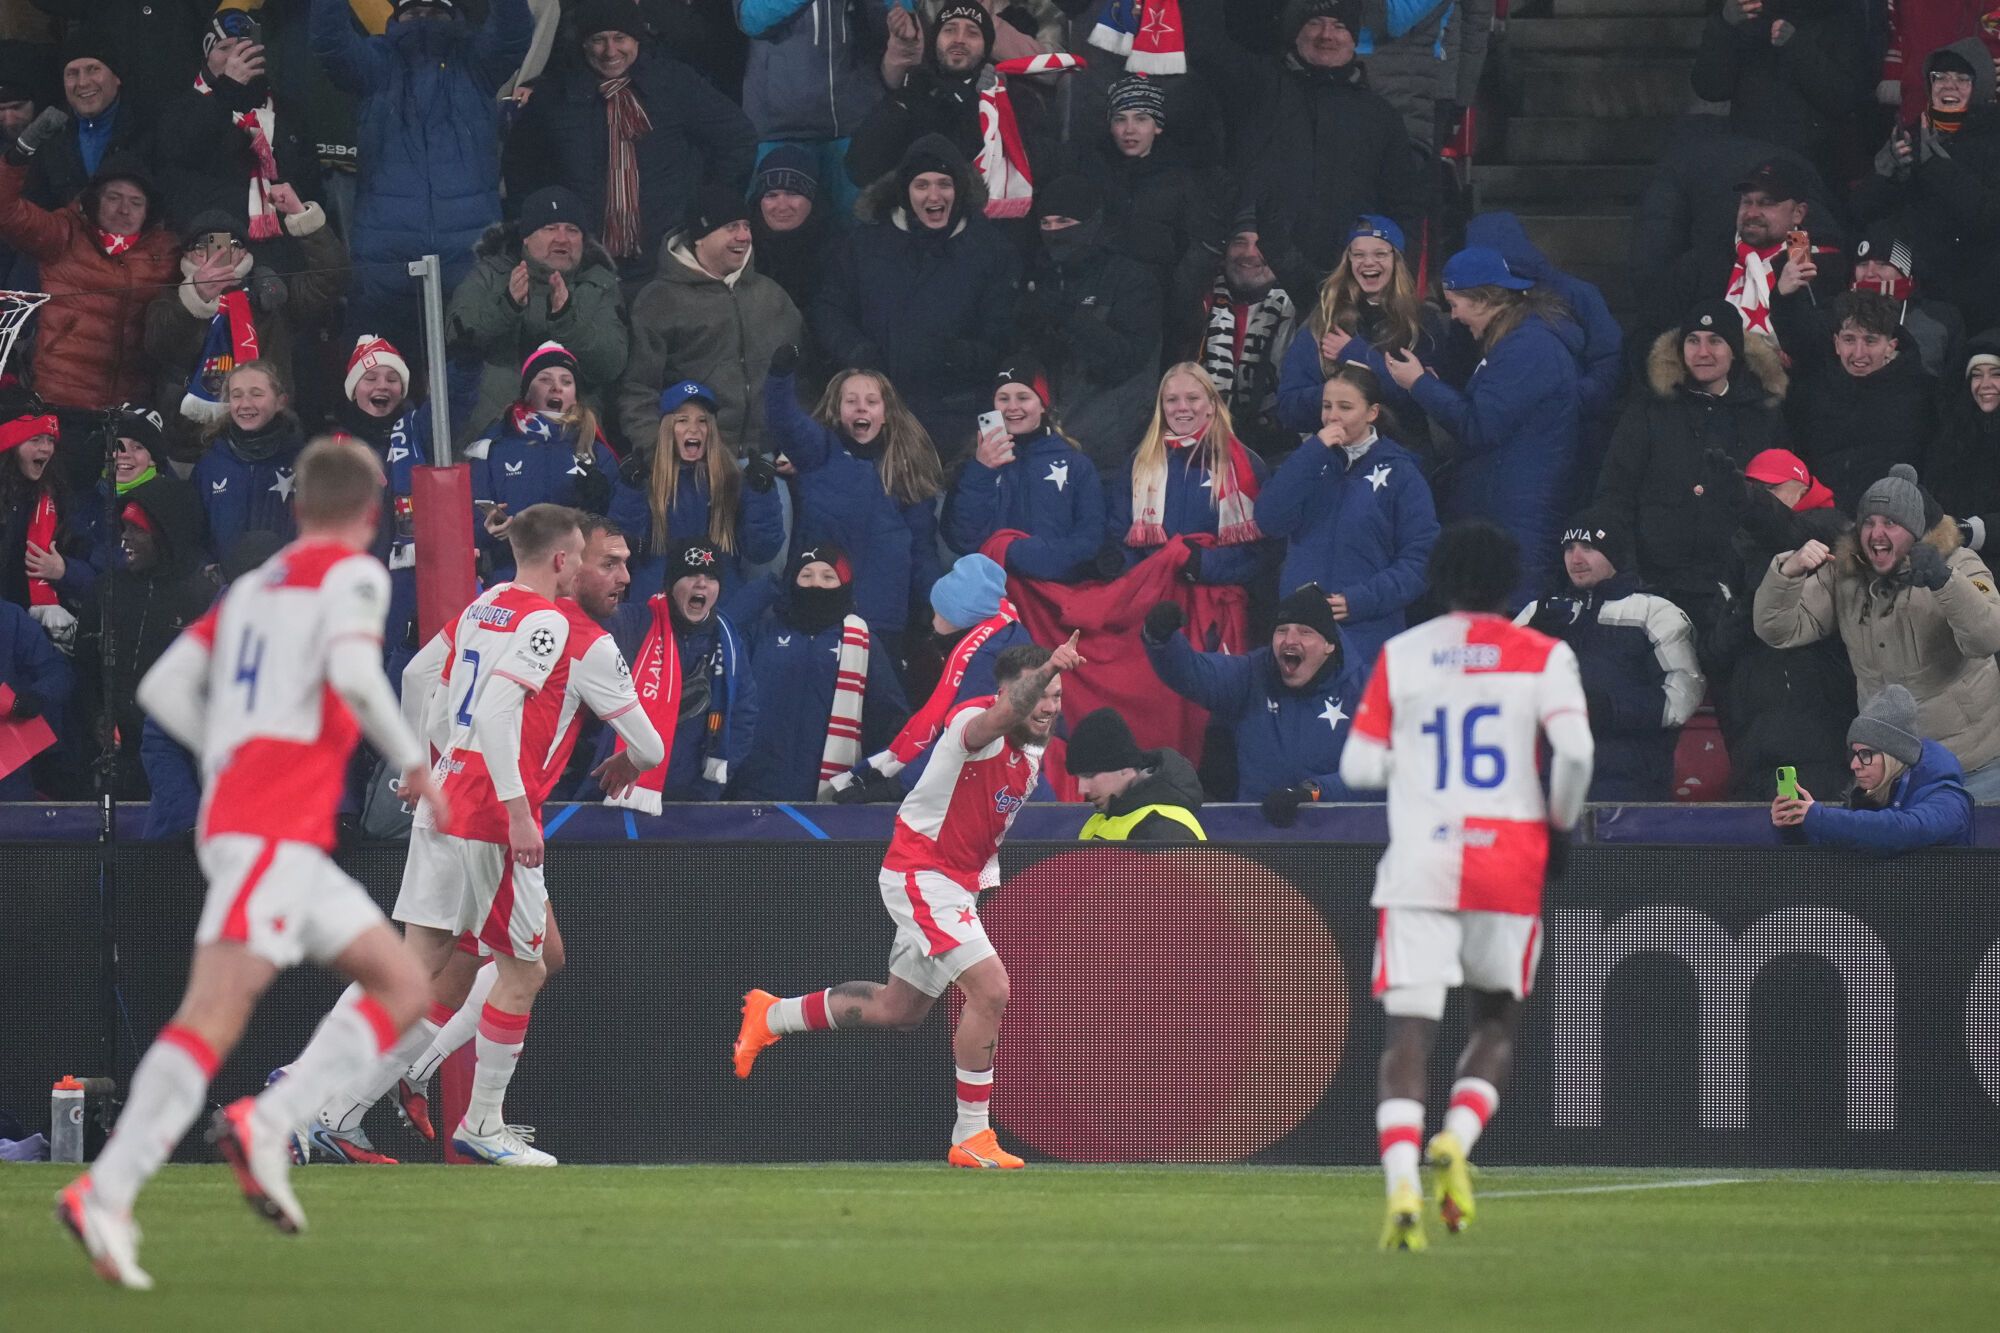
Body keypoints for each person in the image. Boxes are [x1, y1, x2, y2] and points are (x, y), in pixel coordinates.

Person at [56, 437, 445, 1288]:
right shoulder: (353, 574)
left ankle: (270, 1122)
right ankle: (107, 1190)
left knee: (402, 985)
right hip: (270, 827)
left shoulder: (252, 588)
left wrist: (226, 752)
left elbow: (160, 689)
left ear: (296, 508)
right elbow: (356, 673)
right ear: (370, 514)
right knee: (212, 1016)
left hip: (263, 825)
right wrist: (414, 762)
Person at [308, 505, 663, 1166]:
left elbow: (422, 678)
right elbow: (638, 742)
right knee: (523, 968)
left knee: (436, 964)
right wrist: (520, 807)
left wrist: (428, 763)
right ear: (567, 561)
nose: (621, 576)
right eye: (605, 561)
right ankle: (479, 1123)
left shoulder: (490, 602)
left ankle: (320, 1104)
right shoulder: (563, 630)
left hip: (448, 795)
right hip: (492, 812)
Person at [732, 636, 1085, 1171]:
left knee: (898, 1010)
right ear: (1006, 692)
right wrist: (1046, 670)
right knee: (991, 989)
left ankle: (772, 1014)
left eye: (1057, 696)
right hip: (922, 873)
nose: (1048, 706)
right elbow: (999, 717)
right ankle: (972, 1134)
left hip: (955, 885)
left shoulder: (1031, 755)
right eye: (1039, 694)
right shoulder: (973, 723)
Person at [1337, 519, 1593, 1251]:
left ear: (1440, 579)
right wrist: (1558, 824)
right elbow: (1575, 753)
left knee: (1408, 1032)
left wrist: (1412, 765)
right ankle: (1455, 1138)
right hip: (1508, 857)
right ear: (1508, 582)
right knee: (1495, 1022)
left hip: (1422, 857)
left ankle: (1401, 1184)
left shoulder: (1404, 653)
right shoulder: (1545, 654)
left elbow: (1357, 767)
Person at [1755, 463, 2000, 799]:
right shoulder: (1845, 571)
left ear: (1915, 529)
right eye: (1868, 522)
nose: (1876, 533)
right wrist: (1788, 572)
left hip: (1973, 765)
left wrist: (1945, 582)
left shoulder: (1960, 564)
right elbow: (1778, 630)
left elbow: (1988, 637)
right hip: (1889, 770)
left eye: (1891, 523)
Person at [309, 0, 535, 351]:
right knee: (379, 379)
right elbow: (330, 41)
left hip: (470, 262)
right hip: (386, 265)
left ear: (452, 14)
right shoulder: (377, 62)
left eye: (435, 11)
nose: (424, 20)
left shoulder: (476, 60)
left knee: (469, 379)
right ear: (398, 15)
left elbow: (514, 31)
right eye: (414, 12)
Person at [1181, 0, 1430, 299]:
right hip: (1251, 282)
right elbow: (1205, 45)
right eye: (1314, 23)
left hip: (1338, 291)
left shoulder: (1381, 116)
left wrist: (1395, 288)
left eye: (1339, 26)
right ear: (1295, 33)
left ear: (1354, 39)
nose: (1327, 35)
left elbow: (1404, 208)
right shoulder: (1256, 85)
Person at [503, 0, 756, 286]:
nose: (610, 51)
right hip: (581, 264)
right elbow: (520, 168)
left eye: (620, 38)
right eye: (598, 39)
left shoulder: (673, 83)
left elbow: (738, 139)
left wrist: (706, 206)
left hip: (664, 259)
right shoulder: (554, 96)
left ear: (637, 38)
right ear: (583, 42)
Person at [1387, 246, 1581, 606]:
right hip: (1506, 510)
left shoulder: (1528, 348)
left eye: (1455, 304)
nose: (1455, 316)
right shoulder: (1517, 342)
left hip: (1519, 516)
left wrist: (1419, 385)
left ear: (1483, 299)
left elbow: (1480, 426)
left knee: (1513, 616)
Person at [811, 133, 1019, 456]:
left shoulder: (990, 249)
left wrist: (958, 355)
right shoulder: (864, 244)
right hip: (877, 415)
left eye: (944, 184)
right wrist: (858, 353)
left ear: (960, 188)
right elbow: (829, 309)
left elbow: (1004, 335)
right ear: (905, 191)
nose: (933, 195)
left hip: (956, 414)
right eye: (921, 185)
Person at [1594, 298, 1789, 627]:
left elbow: (1781, 500)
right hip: (1655, 583)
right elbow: (1615, 492)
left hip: (1733, 587)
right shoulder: (1649, 409)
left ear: (1734, 350)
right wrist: (1627, 570)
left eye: (1715, 341)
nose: (1703, 352)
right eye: (1693, 340)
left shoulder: (1763, 414)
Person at [1257, 363, 1440, 674]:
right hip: (1301, 635)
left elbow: (1422, 559)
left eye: (1345, 407)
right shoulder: (1307, 463)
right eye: (1327, 406)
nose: (1332, 416)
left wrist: (1360, 600)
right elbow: (1269, 520)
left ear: (1372, 413)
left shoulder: (1402, 473)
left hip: (1367, 634)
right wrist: (1312, 453)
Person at [1517, 511, 1703, 802]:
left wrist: (1608, 709)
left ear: (1615, 553)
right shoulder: (1539, 611)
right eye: (1569, 548)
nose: (1576, 559)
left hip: (1633, 790)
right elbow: (1494, 688)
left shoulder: (1655, 612)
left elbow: (1682, 697)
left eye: (1588, 547)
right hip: (1553, 788)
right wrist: (1527, 640)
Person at [763, 349, 944, 642]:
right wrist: (781, 375)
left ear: (887, 414)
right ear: (836, 410)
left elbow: (922, 550)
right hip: (816, 614)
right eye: (851, 401)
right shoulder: (819, 450)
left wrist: (933, 603)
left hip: (883, 618)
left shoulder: (906, 470)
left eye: (871, 402)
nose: (861, 408)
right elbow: (785, 421)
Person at [0, 125, 177, 418]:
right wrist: (18, 155)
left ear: (149, 212)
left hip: (130, 414)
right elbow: (6, 211)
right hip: (59, 403)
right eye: (114, 198)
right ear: (93, 200)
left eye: (136, 202)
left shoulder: (167, 251)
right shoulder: (65, 232)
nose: (124, 210)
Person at [1141, 584, 1366, 815]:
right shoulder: (1253, 674)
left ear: (1329, 644)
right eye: (1282, 630)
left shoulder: (1362, 689)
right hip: (1257, 826)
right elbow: (1194, 672)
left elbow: (1377, 770)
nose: (1290, 640)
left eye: (1305, 632)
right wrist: (1162, 640)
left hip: (1342, 828)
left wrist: (1314, 792)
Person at [1707, 447, 1855, 799]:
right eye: (1755, 488)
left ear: (1803, 488)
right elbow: (1714, 651)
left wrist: (1748, 501)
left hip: (1823, 736)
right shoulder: (1735, 550)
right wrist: (1746, 614)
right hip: (1753, 739)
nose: (1763, 496)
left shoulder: (1832, 534)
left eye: (1771, 488)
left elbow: (1785, 529)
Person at [617, 181, 803, 459]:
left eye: (746, 226)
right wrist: (662, 455)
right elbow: (638, 391)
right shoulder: (659, 300)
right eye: (731, 227)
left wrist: (797, 445)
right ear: (700, 237)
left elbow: (803, 381)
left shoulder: (772, 296)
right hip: (693, 462)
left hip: (767, 460)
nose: (744, 236)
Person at [830, 551, 1033, 801]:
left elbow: (959, 743)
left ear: (960, 619)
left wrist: (896, 787)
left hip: (992, 790)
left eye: (939, 613)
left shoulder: (987, 662)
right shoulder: (1002, 628)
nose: (933, 621)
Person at [447, 185, 630, 450]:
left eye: (572, 230)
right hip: (491, 435)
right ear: (526, 238)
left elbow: (610, 364)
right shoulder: (489, 275)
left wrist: (566, 320)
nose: (562, 239)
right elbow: (455, 338)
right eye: (550, 228)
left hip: (571, 439)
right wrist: (507, 307)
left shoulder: (600, 285)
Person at [72, 463, 211, 802]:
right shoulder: (105, 589)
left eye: (137, 529)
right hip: (113, 756)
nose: (124, 538)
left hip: (179, 760)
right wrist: (97, 717)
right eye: (123, 528)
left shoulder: (204, 597)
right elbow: (83, 666)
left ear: (165, 535)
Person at [144, 204, 347, 433]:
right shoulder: (171, 300)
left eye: (231, 245)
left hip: (270, 429)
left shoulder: (271, 295)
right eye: (203, 246)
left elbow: (331, 279)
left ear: (243, 253)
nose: (217, 253)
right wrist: (196, 297)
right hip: (194, 435)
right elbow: (160, 345)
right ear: (188, 254)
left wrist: (301, 215)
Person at [731, 542, 910, 801]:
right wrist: (769, 586)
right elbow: (721, 631)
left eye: (828, 577)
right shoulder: (764, 632)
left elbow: (890, 718)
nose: (816, 584)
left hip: (832, 794)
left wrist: (871, 780)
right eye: (806, 575)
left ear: (844, 585)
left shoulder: (863, 641)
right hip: (754, 788)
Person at [1851, 38, 2000, 331]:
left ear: (1981, 86)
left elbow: (1990, 218)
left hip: (1974, 296)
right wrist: (1883, 176)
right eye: (1940, 77)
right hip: (1913, 291)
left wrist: (1938, 169)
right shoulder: (1911, 134)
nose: (1948, 85)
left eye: (1962, 79)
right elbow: (1860, 214)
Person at [467, 341, 647, 581]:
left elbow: (623, 537)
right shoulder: (493, 449)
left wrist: (616, 498)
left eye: (566, 381)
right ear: (527, 391)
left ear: (575, 396)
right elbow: (467, 529)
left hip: (577, 585)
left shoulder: (596, 453)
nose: (556, 388)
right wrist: (488, 530)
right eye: (545, 379)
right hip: (513, 581)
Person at [1275, 215, 1449, 463]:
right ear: (1348, 261)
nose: (1368, 262)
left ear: (1397, 260)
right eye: (1358, 255)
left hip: (1404, 461)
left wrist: (1358, 355)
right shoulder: (1325, 320)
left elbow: (1427, 400)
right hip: (1336, 462)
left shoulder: (1422, 323)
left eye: (1380, 254)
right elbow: (1289, 408)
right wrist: (1338, 398)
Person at [1015, 173, 1161, 462]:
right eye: (1046, 223)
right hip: (1043, 443)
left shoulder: (1131, 279)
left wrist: (1070, 318)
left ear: (1092, 223)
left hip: (1112, 447)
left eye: (1064, 221)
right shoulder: (1037, 278)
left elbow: (1128, 359)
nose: (1054, 231)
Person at [600, 538, 759, 803]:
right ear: (671, 585)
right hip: (617, 788)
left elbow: (743, 715)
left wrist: (708, 791)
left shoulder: (728, 641)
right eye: (690, 574)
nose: (701, 583)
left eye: (711, 577)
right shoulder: (633, 623)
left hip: (692, 796)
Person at [1107, 362, 1274, 585]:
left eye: (1193, 398)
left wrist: (1201, 564)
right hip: (1152, 589)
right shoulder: (1139, 462)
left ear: (1212, 405)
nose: (1182, 407)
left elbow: (1264, 549)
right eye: (1172, 400)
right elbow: (1119, 533)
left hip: (1217, 592)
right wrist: (1131, 568)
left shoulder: (1246, 464)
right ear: (1162, 408)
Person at [154, 21, 327, 234]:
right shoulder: (184, 106)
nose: (235, 56)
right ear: (207, 57)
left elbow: (310, 185)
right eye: (224, 48)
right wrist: (228, 88)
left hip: (281, 238)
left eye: (244, 46)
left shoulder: (287, 111)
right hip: (213, 238)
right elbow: (180, 155)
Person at [1772, 289, 1936, 510]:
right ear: (1836, 343)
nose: (1859, 353)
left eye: (1870, 341)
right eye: (1849, 340)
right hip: (1817, 515)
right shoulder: (1811, 388)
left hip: (1888, 518)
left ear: (1891, 345)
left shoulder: (1921, 394)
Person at [941, 362, 1105, 582]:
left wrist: (1029, 556)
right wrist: (982, 471)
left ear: (1043, 404)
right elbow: (962, 538)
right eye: (1003, 398)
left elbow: (1091, 538)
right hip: (994, 589)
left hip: (1058, 589)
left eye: (1023, 397)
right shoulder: (974, 464)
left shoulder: (1076, 463)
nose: (1012, 407)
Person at [624, 379, 784, 601]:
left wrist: (762, 493)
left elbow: (762, 550)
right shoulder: (645, 478)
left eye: (702, 420)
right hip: (657, 602)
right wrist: (629, 490)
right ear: (667, 428)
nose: (694, 429)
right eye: (682, 420)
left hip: (721, 604)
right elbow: (624, 547)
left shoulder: (734, 479)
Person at [327, 335, 431, 674]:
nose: (381, 385)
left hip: (408, 583)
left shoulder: (420, 433)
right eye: (370, 378)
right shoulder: (332, 448)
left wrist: (463, 368)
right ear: (354, 389)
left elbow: (455, 403)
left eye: (391, 378)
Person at [1771, 684, 1974, 851]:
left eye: (1865, 755)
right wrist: (1795, 826)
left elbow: (1901, 832)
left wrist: (1822, 818)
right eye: (1854, 754)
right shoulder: (1864, 798)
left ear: (1893, 756)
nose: (1854, 765)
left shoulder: (1948, 798)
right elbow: (1833, 860)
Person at [1689, 0, 1868, 182]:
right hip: (1751, 159)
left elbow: (1844, 98)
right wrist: (1724, 24)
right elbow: (1710, 88)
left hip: (1815, 166)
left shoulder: (1837, 16)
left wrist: (1797, 45)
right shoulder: (1745, 16)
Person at [1175, 209, 1301, 462]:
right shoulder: (1196, 302)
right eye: (1239, 242)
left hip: (1278, 453)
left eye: (1261, 244)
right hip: (1197, 450)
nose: (1250, 253)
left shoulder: (1303, 309)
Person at [192, 362, 308, 560]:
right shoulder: (211, 464)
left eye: (256, 394)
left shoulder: (304, 462)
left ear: (280, 402)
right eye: (237, 395)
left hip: (288, 575)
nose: (245, 404)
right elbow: (194, 532)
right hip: (227, 578)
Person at [0, 404, 94, 647]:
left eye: (50, 440)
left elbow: (95, 572)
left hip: (30, 634)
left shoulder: (58, 498)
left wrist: (64, 570)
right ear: (10, 443)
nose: (46, 448)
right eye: (36, 439)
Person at [28, 39, 154, 207]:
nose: (83, 82)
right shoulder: (50, 134)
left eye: (93, 69)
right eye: (72, 73)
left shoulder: (149, 129)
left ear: (117, 76)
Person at [1068, 705, 1204, 842]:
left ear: (1124, 768)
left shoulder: (1164, 828)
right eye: (1079, 778)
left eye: (1090, 775)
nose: (1082, 789)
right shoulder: (1106, 816)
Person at [1925, 332, 2000, 549]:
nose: (1985, 384)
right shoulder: (1951, 436)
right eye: (1976, 375)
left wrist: (1973, 530)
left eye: (1996, 374)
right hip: (1953, 555)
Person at [0, 594, 71, 800]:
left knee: (16, 816)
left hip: (7, 762)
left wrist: (38, 695)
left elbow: (57, 670)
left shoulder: (9, 617)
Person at [747, 144, 831, 311]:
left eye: (793, 194)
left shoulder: (837, 253)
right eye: (771, 195)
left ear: (812, 198)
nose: (782, 206)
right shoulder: (741, 248)